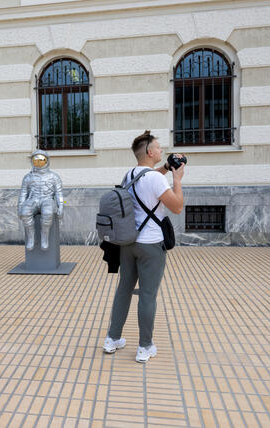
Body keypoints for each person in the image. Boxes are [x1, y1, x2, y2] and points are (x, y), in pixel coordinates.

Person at [103, 131, 185, 362]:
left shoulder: (130, 174)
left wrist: (166, 168)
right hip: (151, 245)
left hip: (128, 243)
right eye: (158, 148)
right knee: (147, 295)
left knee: (123, 290)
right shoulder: (156, 179)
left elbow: (147, 181)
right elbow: (177, 207)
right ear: (150, 152)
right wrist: (177, 179)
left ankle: (112, 339)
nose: (161, 151)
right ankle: (144, 347)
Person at [18, 150, 64, 250]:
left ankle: (44, 237)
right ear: (32, 162)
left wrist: (61, 206)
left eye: (41, 160)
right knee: (25, 212)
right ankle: (31, 237)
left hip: (48, 200)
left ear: (47, 161)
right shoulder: (28, 177)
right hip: (33, 199)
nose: (39, 163)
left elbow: (59, 193)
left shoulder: (54, 177)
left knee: (47, 212)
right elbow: (23, 194)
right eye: (36, 160)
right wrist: (20, 207)